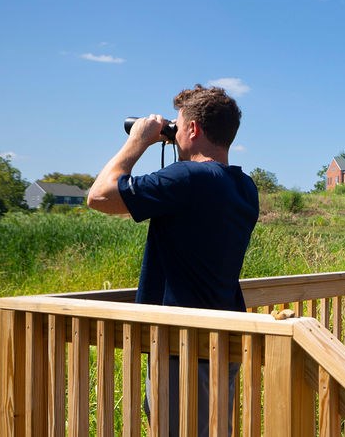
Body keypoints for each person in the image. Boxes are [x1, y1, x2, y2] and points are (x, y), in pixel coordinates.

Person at [88, 84, 259, 436]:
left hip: (182, 343)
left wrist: (138, 140)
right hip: (221, 334)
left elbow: (100, 196)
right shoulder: (244, 186)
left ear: (193, 129)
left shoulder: (189, 177)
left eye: (178, 126)